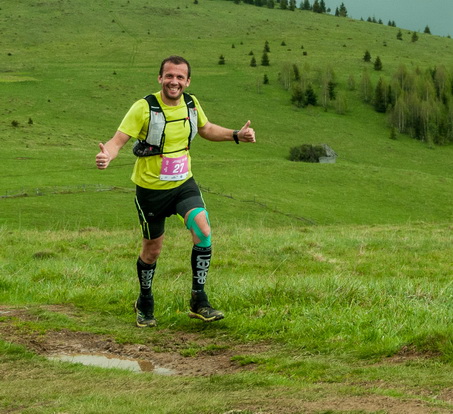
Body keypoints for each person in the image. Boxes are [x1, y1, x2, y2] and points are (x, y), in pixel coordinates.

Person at [95, 55, 255, 327]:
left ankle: (199, 300)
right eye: (169, 76)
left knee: (203, 230)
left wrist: (236, 135)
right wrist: (106, 156)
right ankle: (145, 301)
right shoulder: (144, 107)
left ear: (187, 81)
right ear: (160, 78)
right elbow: (117, 140)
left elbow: (206, 129)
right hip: (151, 191)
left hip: (183, 184)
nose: (174, 81)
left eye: (180, 77)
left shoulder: (191, 104)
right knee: (152, 250)